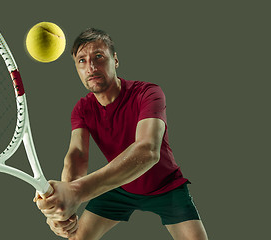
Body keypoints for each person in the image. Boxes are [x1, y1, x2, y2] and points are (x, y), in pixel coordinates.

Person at [35, 28, 208, 240]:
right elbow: (77, 156)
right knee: (76, 238)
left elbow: (148, 151)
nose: (90, 66)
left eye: (99, 57)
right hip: (119, 186)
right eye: (82, 60)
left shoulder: (148, 93)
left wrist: (76, 192)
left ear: (115, 60)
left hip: (165, 186)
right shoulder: (82, 109)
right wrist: (64, 208)